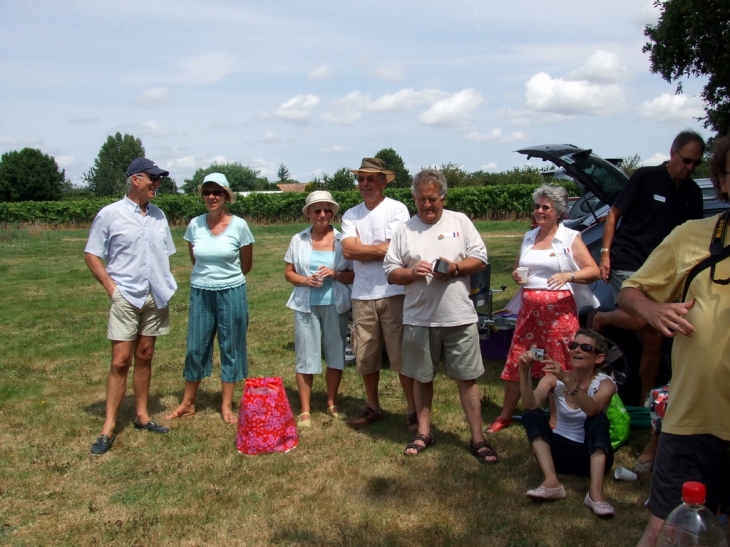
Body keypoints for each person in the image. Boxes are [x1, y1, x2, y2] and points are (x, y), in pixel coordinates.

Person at [627, 136, 730, 547]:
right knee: (664, 530)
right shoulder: (692, 236)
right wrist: (652, 311)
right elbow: (632, 290)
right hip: (691, 420)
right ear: (722, 180)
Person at [383, 169, 497, 463]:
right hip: (419, 318)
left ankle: (477, 438)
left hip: (459, 316)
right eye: (421, 199)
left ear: (443, 196)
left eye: (432, 199)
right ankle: (423, 432)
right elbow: (391, 272)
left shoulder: (460, 222)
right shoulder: (404, 230)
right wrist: (411, 272)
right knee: (422, 378)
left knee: (467, 378)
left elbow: (480, 258)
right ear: (414, 198)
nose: (427, 205)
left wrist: (456, 268)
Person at [591, 131, 705, 402]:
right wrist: (605, 254)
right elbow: (614, 214)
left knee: (654, 338)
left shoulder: (693, 192)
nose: (689, 167)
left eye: (695, 163)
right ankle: (601, 318)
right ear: (672, 154)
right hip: (629, 260)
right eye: (686, 160)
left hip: (663, 272)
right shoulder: (645, 177)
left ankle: (646, 403)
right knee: (647, 318)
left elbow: (695, 238)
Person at [488, 184, 600, 434]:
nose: (539, 211)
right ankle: (505, 416)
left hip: (558, 315)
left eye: (545, 207)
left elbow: (593, 271)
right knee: (519, 360)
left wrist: (568, 275)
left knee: (557, 363)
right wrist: (517, 275)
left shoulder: (570, 238)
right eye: (537, 206)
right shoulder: (529, 236)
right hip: (528, 313)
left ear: (559, 211)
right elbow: (519, 267)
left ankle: (556, 418)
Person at [84, 157, 177, 455]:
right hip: (126, 296)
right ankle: (108, 426)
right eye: (153, 178)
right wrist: (112, 289)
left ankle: (142, 416)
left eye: (159, 179)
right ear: (136, 179)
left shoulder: (159, 216)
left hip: (155, 296)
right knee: (120, 360)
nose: (157, 184)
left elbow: (166, 253)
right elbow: (92, 254)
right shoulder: (110, 214)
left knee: (146, 355)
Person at [165, 173, 254, 425]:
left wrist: (226, 279)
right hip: (201, 292)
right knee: (196, 346)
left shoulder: (240, 226)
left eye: (217, 192)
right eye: (207, 192)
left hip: (232, 292)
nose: (211, 197)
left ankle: (226, 406)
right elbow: (195, 258)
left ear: (226, 195)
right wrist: (208, 279)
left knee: (231, 346)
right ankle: (188, 402)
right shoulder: (195, 224)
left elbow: (246, 264)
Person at [341, 158, 416, 430]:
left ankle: (412, 410)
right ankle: (373, 408)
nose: (364, 184)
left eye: (371, 179)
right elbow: (348, 251)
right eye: (361, 179)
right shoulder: (351, 214)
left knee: (401, 355)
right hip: (362, 294)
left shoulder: (397, 210)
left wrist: (366, 249)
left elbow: (398, 249)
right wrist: (380, 249)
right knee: (366, 355)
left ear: (383, 182)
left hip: (394, 291)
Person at [519, 328, 616, 516]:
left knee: (598, 420)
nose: (577, 350)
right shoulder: (553, 379)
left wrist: (566, 378)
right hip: (559, 454)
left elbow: (592, 409)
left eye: (586, 347)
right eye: (574, 345)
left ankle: (596, 494)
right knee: (530, 415)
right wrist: (524, 371)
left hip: (588, 456)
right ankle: (551, 481)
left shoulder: (605, 384)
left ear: (599, 358)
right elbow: (530, 404)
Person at [284, 191, 355, 427]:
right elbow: (289, 272)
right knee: (306, 356)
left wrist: (335, 274)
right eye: (317, 210)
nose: (322, 214)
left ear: (333, 213)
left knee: (336, 354)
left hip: (336, 304)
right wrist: (306, 281)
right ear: (309, 214)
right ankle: (305, 410)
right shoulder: (298, 239)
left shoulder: (343, 240)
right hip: (306, 305)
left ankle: (331, 402)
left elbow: (354, 274)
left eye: (327, 210)